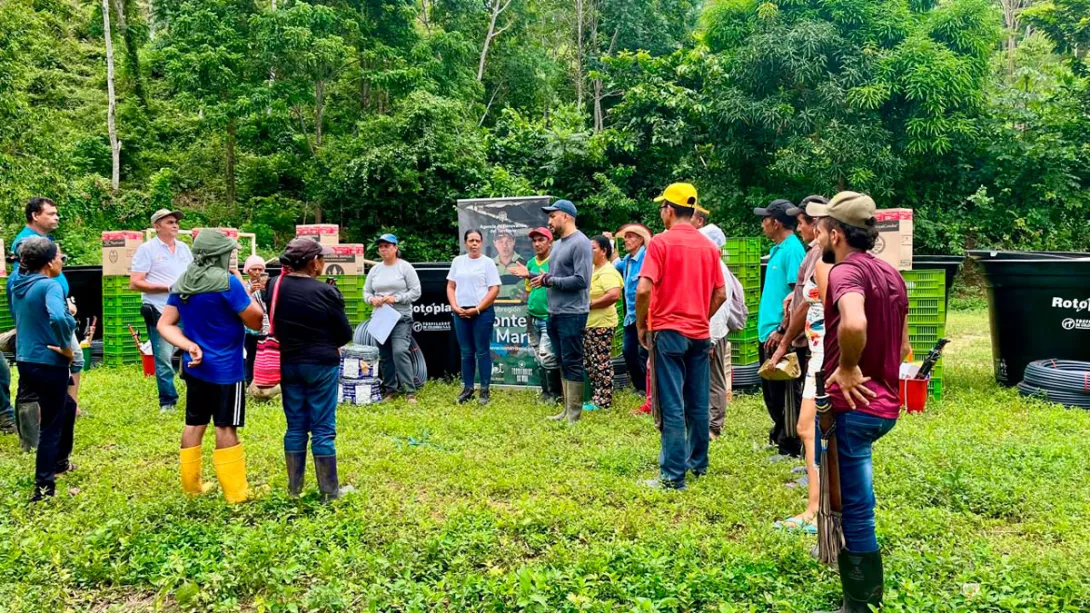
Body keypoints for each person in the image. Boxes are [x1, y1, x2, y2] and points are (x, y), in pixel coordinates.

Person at [809, 192, 909, 613]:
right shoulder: (890, 273)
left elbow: (853, 320)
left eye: (821, 229)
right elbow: (904, 345)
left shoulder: (846, 273)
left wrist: (848, 366)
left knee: (855, 509)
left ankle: (859, 604)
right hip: (884, 403)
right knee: (855, 502)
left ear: (836, 233)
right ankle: (866, 595)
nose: (817, 235)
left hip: (854, 406)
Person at [157, 230, 264, 504]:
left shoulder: (184, 282)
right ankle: (236, 494)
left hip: (196, 367)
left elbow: (165, 324)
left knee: (194, 423)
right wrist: (242, 282)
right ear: (219, 255)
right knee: (225, 427)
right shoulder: (228, 282)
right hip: (227, 368)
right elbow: (255, 320)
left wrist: (188, 344)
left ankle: (192, 488)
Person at [636, 183, 726, 490]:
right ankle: (697, 464)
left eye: (662, 207)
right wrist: (701, 315)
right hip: (699, 334)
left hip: (667, 331)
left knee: (672, 404)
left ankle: (673, 476)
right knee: (698, 402)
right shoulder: (709, 247)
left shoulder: (660, 244)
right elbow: (721, 293)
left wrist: (641, 325)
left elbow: (644, 288)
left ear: (669, 210)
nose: (661, 212)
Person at [271, 238, 355, 500]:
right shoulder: (325, 292)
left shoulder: (275, 286)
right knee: (322, 428)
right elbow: (343, 335)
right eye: (322, 258)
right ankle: (330, 492)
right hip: (321, 364)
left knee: (295, 426)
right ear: (313, 263)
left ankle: (294, 490)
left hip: (288, 363)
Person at [772, 196, 831, 533]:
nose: (809, 231)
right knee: (815, 430)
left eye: (814, 226)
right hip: (822, 352)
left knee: (810, 429)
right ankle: (820, 503)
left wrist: (783, 342)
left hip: (825, 356)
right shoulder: (831, 258)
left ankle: (816, 509)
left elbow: (818, 308)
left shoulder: (826, 261)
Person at [10, 238, 77, 501]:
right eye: (61, 258)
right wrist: (65, 346)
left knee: (67, 407)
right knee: (51, 425)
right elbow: (59, 317)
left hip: (26, 359)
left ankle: (59, 463)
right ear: (49, 262)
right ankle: (44, 489)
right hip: (49, 360)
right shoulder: (49, 285)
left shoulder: (18, 284)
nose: (62, 262)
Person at [9, 197, 84, 419]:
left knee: (67, 361)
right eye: (51, 213)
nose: (56, 217)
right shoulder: (26, 242)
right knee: (42, 368)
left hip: (53, 309)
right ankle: (49, 415)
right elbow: (24, 281)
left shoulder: (44, 240)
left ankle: (67, 408)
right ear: (35, 215)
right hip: (45, 317)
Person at [755, 199, 806, 459]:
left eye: (765, 218)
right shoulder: (778, 250)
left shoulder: (793, 251)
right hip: (768, 334)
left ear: (775, 222)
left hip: (779, 335)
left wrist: (782, 330)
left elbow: (797, 298)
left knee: (786, 394)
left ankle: (790, 446)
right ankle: (779, 435)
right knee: (772, 394)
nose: (762, 223)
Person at [534, 200, 592, 424]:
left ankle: (574, 415)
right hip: (555, 312)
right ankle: (566, 410)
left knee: (573, 361)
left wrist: (550, 280)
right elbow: (554, 279)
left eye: (552, 216)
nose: (549, 221)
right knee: (561, 360)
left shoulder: (581, 243)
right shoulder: (557, 245)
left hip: (573, 313)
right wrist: (540, 279)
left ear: (565, 216)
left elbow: (581, 280)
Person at [131, 209, 194, 412]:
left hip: (186, 307)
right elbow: (136, 282)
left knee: (193, 350)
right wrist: (168, 287)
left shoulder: (184, 248)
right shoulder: (146, 250)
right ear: (157, 226)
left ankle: (196, 392)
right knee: (163, 357)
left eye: (176, 222)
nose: (175, 225)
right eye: (170, 222)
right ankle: (167, 401)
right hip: (159, 310)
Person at [364, 234, 422, 404]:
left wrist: (396, 299)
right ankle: (390, 390)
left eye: (387, 246)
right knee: (385, 355)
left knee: (399, 352)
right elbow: (366, 292)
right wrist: (371, 300)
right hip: (381, 318)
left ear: (396, 248)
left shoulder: (405, 268)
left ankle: (410, 391)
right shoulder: (375, 270)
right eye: (381, 247)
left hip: (400, 318)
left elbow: (416, 292)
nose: (383, 249)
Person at [446, 230, 501, 405]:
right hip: (461, 312)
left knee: (482, 351)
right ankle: (468, 389)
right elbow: (451, 286)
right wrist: (454, 306)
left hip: (482, 313)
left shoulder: (488, 263)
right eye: (471, 240)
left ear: (482, 242)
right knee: (466, 352)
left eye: (477, 240)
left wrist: (478, 309)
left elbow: (494, 289)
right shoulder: (457, 261)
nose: (474, 243)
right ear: (465, 243)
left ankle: (484, 391)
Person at [510, 227, 560, 403]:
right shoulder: (530, 263)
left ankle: (555, 395)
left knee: (547, 357)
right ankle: (545, 393)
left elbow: (558, 285)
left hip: (549, 317)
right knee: (539, 357)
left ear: (550, 242)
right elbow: (529, 290)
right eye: (534, 241)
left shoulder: (556, 262)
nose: (537, 244)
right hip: (532, 317)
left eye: (541, 240)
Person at [611, 223, 652, 407]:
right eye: (625, 237)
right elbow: (612, 266)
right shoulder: (626, 260)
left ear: (641, 239)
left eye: (631, 237)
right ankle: (640, 386)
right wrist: (611, 244)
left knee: (644, 353)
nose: (626, 240)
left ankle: (648, 390)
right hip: (631, 316)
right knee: (628, 352)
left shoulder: (647, 257)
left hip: (646, 315)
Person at [699, 224, 733, 440]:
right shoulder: (713, 265)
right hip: (709, 330)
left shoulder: (717, 268)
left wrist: (710, 339)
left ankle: (714, 426)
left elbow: (719, 306)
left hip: (714, 332)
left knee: (714, 379)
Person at [583, 235, 623, 411]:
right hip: (589, 323)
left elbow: (614, 295)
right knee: (590, 362)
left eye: (592, 248)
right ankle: (595, 396)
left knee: (601, 362)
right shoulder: (592, 268)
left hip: (602, 324)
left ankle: (603, 401)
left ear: (604, 251)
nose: (589, 251)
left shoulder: (608, 271)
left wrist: (590, 304)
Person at [241, 255, 270, 387]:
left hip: (266, 326)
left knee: (265, 355)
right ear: (248, 270)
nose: (257, 272)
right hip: (249, 328)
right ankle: (249, 381)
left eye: (260, 269)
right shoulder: (243, 286)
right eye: (254, 269)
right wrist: (249, 291)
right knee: (251, 355)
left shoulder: (267, 285)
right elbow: (241, 304)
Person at [492, 228, 526, 302]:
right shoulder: (489, 265)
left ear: (514, 242)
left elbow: (533, 290)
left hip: (519, 311)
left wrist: (528, 295)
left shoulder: (525, 264)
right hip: (496, 312)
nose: (504, 245)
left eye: (508, 241)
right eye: (500, 241)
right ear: (495, 243)